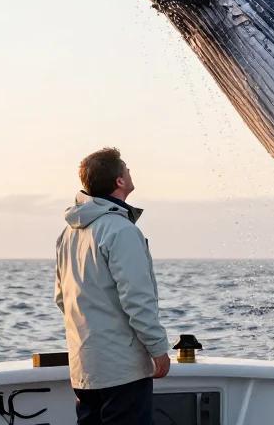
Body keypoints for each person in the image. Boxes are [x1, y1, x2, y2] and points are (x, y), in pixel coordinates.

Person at [55, 147, 170, 425]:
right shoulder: (121, 230)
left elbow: (62, 298)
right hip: (122, 371)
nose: (130, 173)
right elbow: (137, 299)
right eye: (127, 169)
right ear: (119, 181)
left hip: (84, 367)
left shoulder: (67, 234)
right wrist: (158, 349)